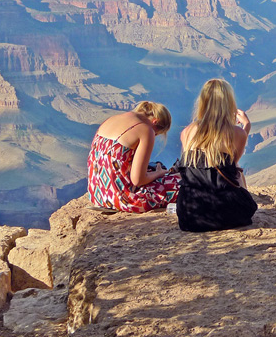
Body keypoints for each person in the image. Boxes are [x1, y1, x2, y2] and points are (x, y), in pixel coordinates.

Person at [175, 79, 257, 232]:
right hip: (225, 214)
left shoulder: (187, 132)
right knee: (238, 173)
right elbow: (233, 165)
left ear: (203, 102)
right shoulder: (237, 133)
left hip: (189, 216)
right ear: (229, 103)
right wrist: (246, 127)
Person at [87, 101, 180, 212]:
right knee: (185, 182)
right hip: (124, 200)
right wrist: (158, 173)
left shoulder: (111, 119)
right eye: (156, 133)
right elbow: (138, 180)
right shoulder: (146, 129)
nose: (154, 136)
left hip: (98, 195)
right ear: (155, 122)